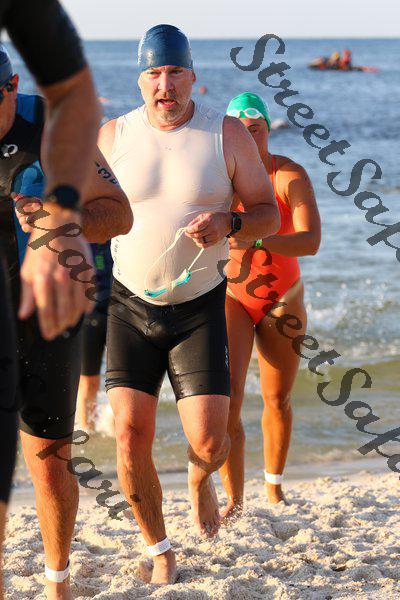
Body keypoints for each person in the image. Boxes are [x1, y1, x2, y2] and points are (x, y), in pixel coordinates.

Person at [99, 24, 280, 585]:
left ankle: (199, 479)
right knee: (130, 434)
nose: (165, 85)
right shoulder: (112, 136)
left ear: (192, 76)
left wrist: (230, 222)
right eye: (154, 73)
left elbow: (268, 213)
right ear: (140, 79)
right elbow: (83, 210)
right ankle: (160, 549)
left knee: (210, 441)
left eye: (175, 72)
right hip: (129, 304)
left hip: (199, 307)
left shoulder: (226, 134)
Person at [0, 47, 132, 600]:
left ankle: (57, 582)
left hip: (46, 320)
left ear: (11, 88)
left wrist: (62, 219)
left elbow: (119, 213)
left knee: (50, 464)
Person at [220, 92, 320, 516]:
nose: (247, 137)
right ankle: (234, 500)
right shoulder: (218, 178)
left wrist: (257, 238)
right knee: (229, 400)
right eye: (238, 131)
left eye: (255, 129)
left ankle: (274, 488)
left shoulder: (288, 174)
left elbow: (310, 241)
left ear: (266, 130)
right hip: (233, 296)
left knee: (277, 398)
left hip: (283, 298)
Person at [77, 241, 113, 432]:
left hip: (119, 314)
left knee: (122, 384)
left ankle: (120, 434)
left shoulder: (120, 235)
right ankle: (87, 432)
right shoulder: (78, 238)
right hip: (89, 317)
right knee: (88, 381)